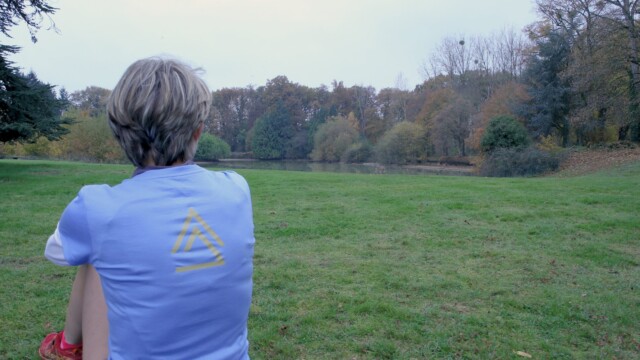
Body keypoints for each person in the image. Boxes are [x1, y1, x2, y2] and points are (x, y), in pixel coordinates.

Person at [39, 57, 255, 359]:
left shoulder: (99, 208)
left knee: (95, 250)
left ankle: (68, 345)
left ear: (119, 134)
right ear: (198, 131)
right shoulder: (237, 189)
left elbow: (56, 252)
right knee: (102, 246)